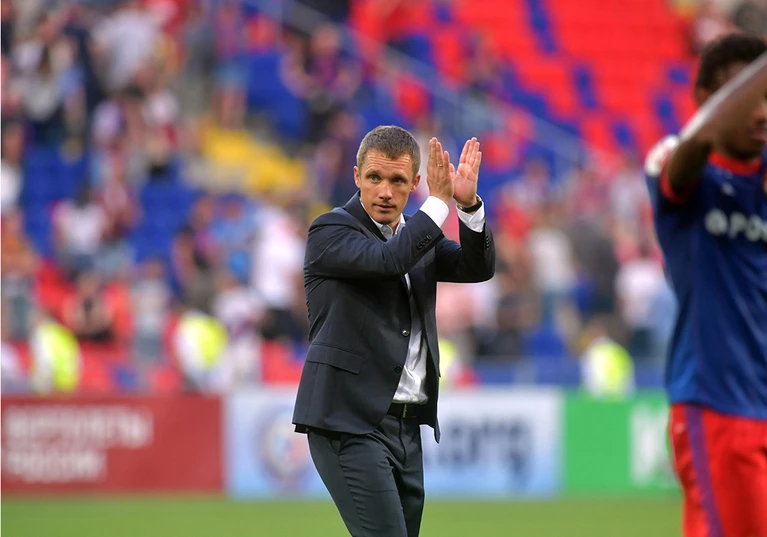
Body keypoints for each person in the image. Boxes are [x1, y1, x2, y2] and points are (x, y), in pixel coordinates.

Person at [292, 126, 495, 537]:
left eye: (398, 181)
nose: (385, 191)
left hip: (406, 425)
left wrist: (467, 205)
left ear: (414, 183)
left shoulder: (416, 237)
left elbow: (477, 267)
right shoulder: (330, 231)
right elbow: (388, 261)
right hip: (348, 419)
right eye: (375, 178)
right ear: (356, 177)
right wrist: (437, 203)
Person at [644, 33, 767, 537]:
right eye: (745, 95)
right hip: (718, 405)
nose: (760, 112)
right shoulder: (682, 166)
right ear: (705, 99)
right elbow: (693, 148)